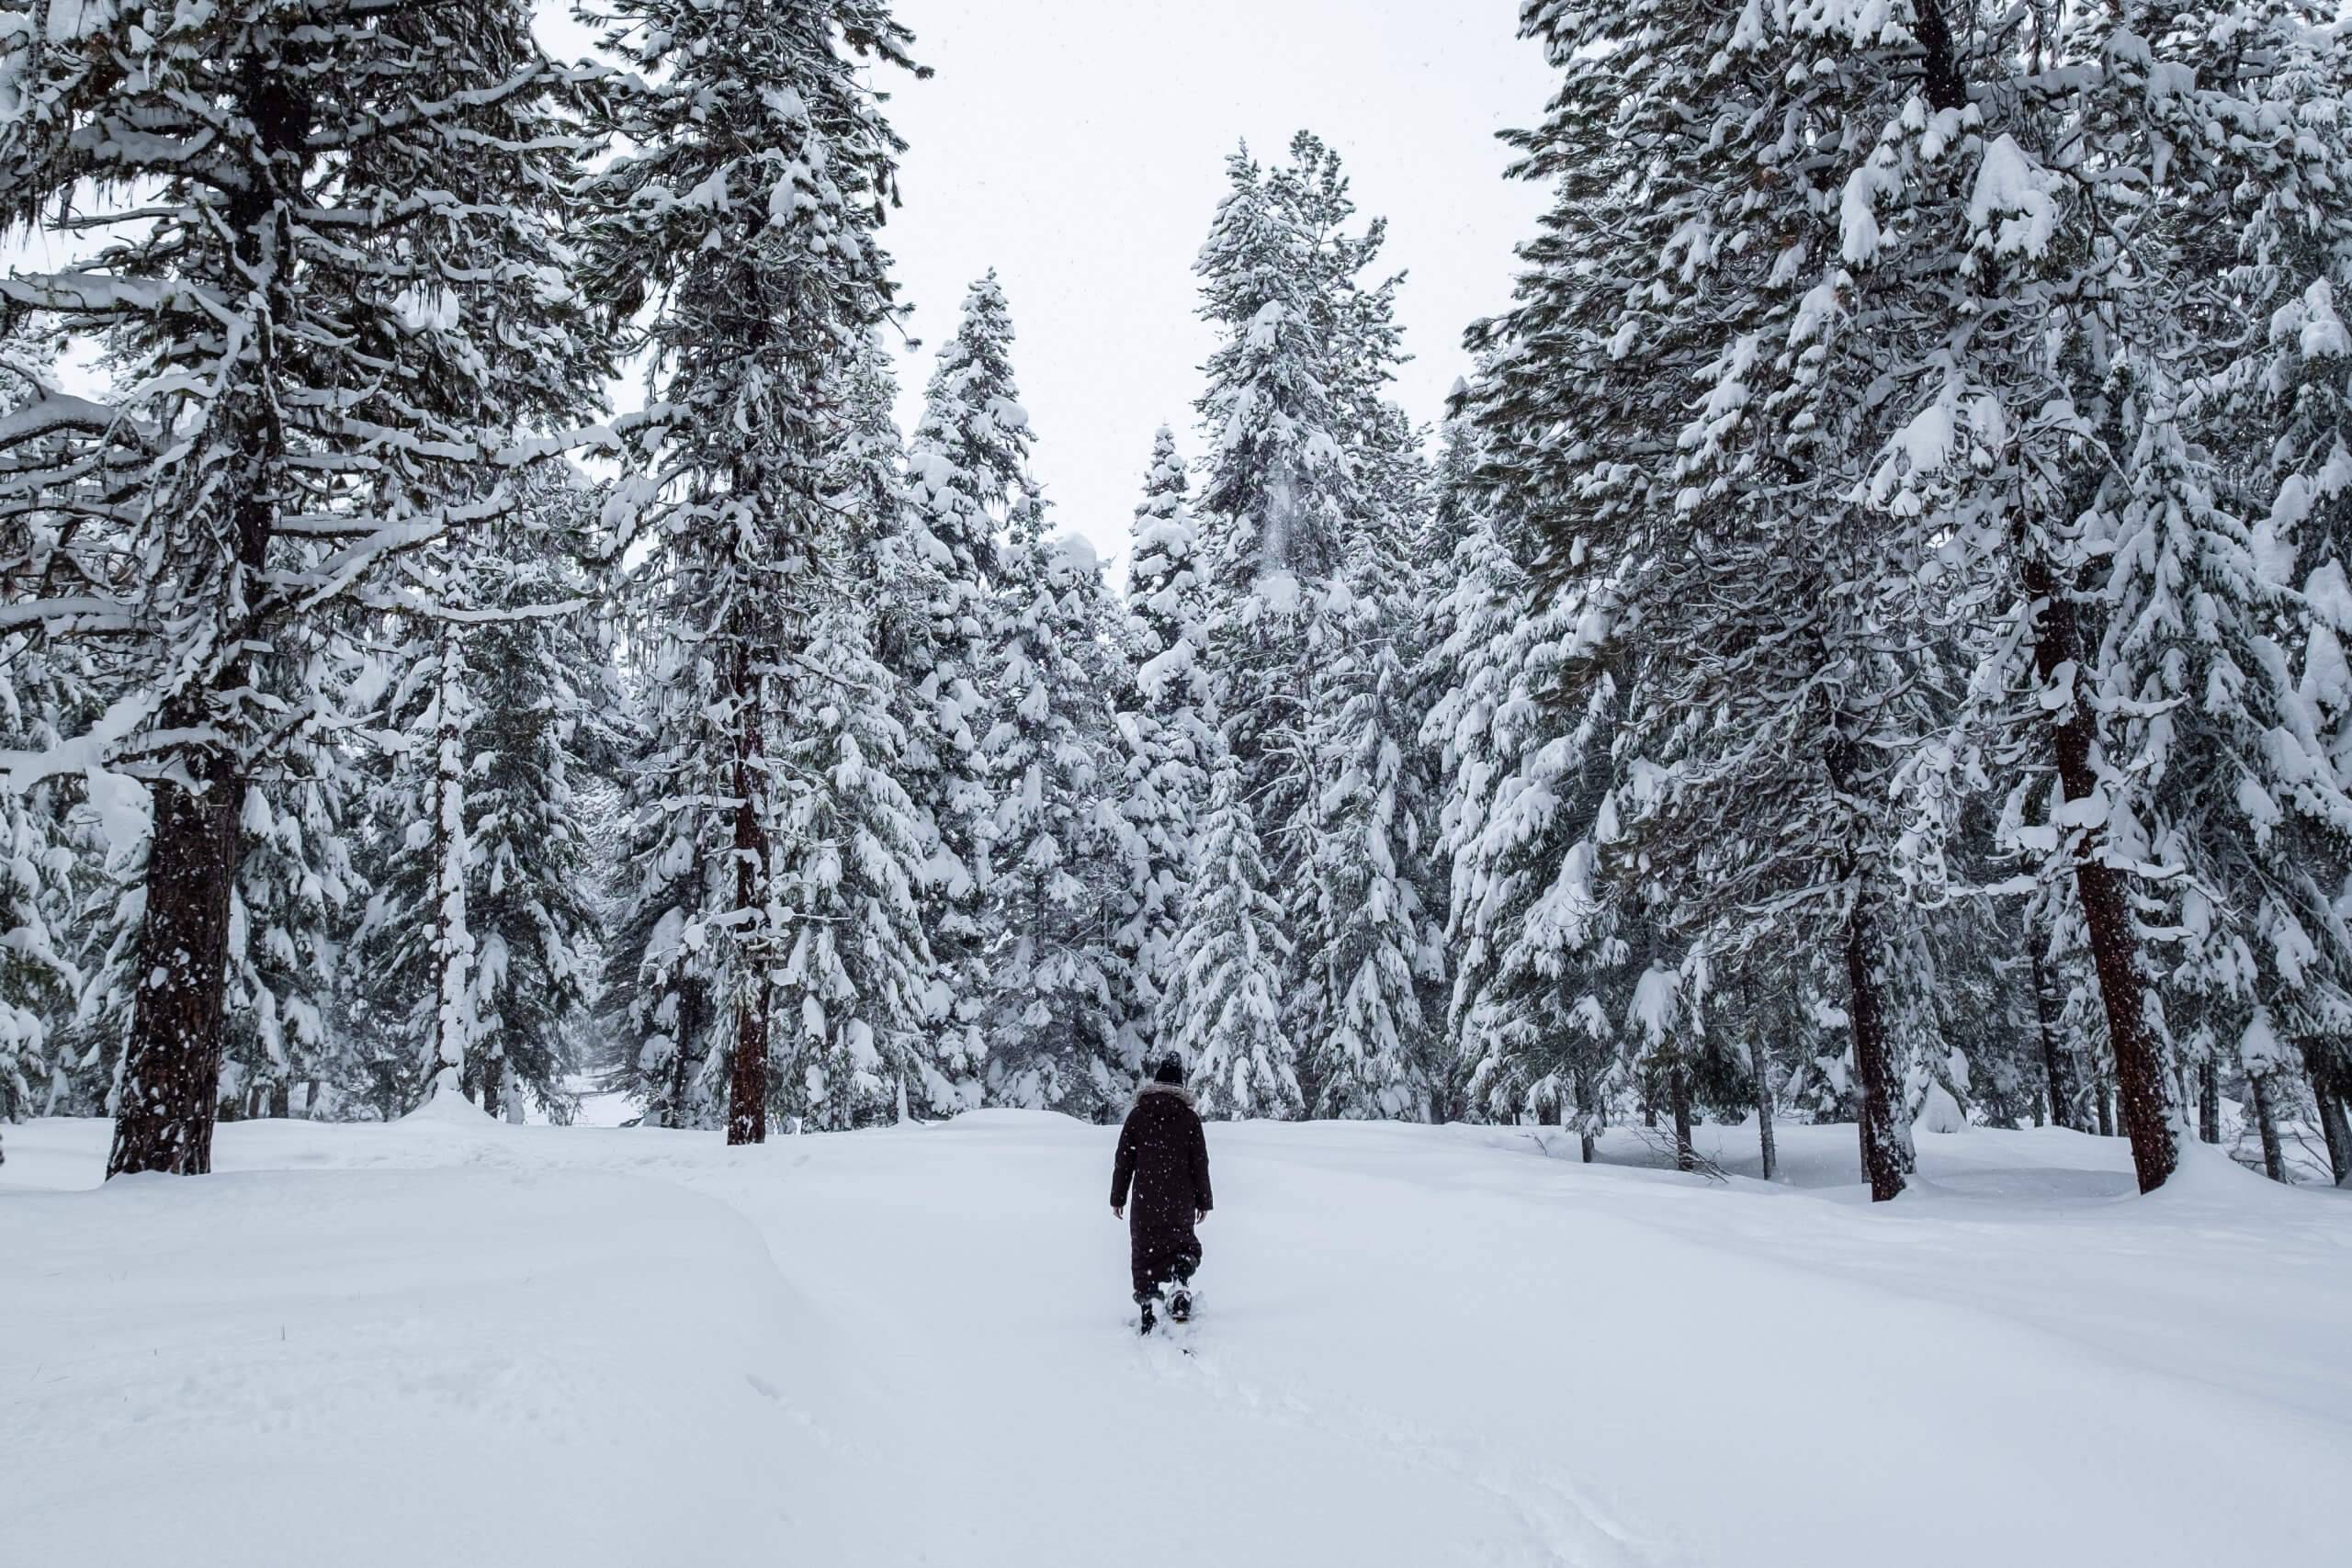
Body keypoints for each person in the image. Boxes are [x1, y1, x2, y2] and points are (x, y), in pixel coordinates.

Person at [1109, 1055, 1212, 1334]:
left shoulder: (1138, 1116)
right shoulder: (1189, 1119)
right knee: (1183, 1246)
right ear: (1179, 1084)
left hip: (1146, 1201)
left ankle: (1148, 1306)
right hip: (1180, 1201)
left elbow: (1123, 1161)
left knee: (1144, 1253)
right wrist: (1204, 1201)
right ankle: (1180, 1282)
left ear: (1156, 1082)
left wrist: (1118, 1198)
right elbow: (1200, 1162)